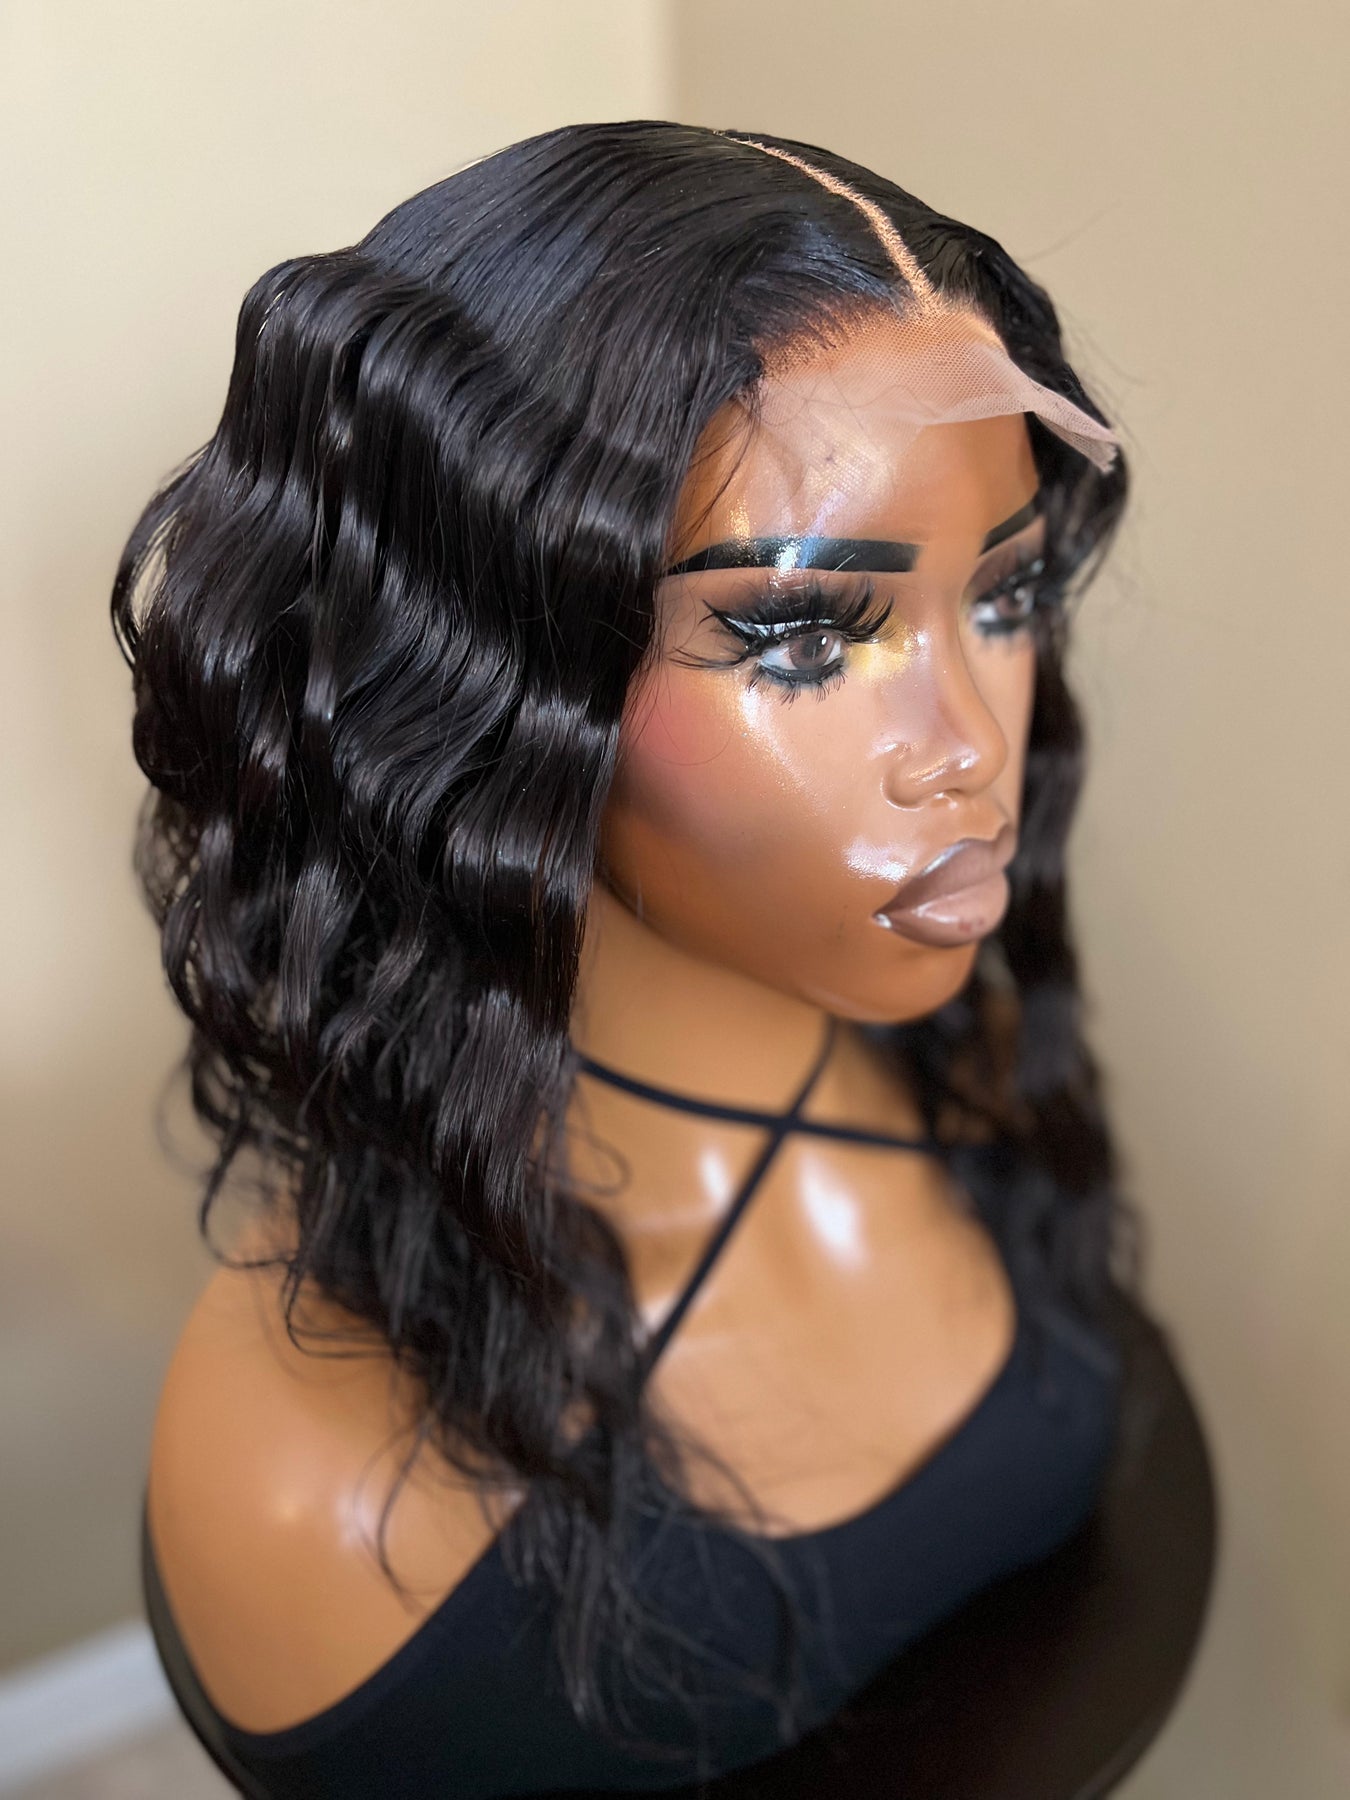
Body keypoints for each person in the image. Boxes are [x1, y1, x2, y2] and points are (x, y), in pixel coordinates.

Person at [116, 121, 1139, 1795]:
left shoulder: (966, 1097)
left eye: (1005, 602)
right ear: (468, 671)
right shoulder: (334, 1501)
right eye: (802, 632)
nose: (968, 747)